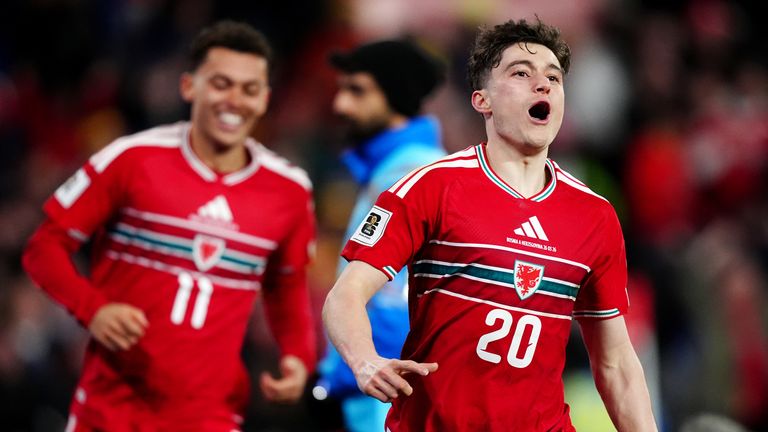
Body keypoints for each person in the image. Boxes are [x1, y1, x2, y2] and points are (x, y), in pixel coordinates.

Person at [323, 18, 658, 431]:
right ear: (482, 100)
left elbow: (616, 362)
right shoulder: (432, 186)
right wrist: (365, 360)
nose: (543, 84)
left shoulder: (595, 216)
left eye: (553, 77)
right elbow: (344, 296)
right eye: (521, 73)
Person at [22, 20, 316, 431]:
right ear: (188, 86)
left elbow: (286, 284)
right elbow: (44, 248)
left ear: (265, 99)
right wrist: (94, 310)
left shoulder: (290, 190)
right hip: (110, 411)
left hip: (209, 416)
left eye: (249, 89)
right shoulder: (132, 159)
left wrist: (297, 355)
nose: (234, 100)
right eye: (221, 83)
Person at [315, 40, 445, 431]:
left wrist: (362, 370)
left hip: (384, 393)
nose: (340, 105)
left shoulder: (408, 175)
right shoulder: (399, 169)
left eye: (357, 91)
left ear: (397, 95)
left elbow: (391, 299)